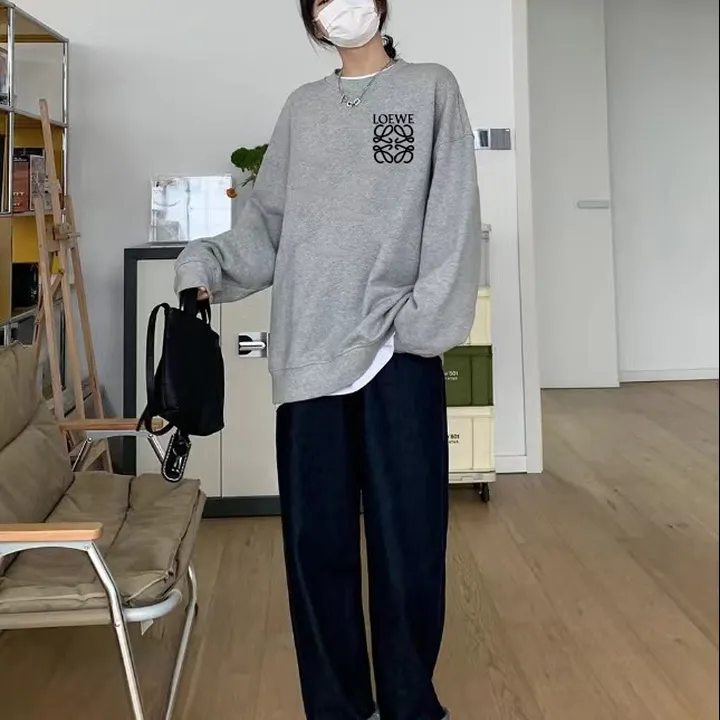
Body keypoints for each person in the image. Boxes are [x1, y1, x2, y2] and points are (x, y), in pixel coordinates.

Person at [174, 0, 482, 717]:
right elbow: (268, 224)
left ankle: (408, 704)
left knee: (410, 547)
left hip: (396, 352)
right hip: (309, 352)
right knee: (317, 550)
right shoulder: (302, 110)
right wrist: (206, 264)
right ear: (313, 21)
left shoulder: (430, 89)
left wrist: (419, 326)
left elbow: (452, 216)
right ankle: (340, 708)